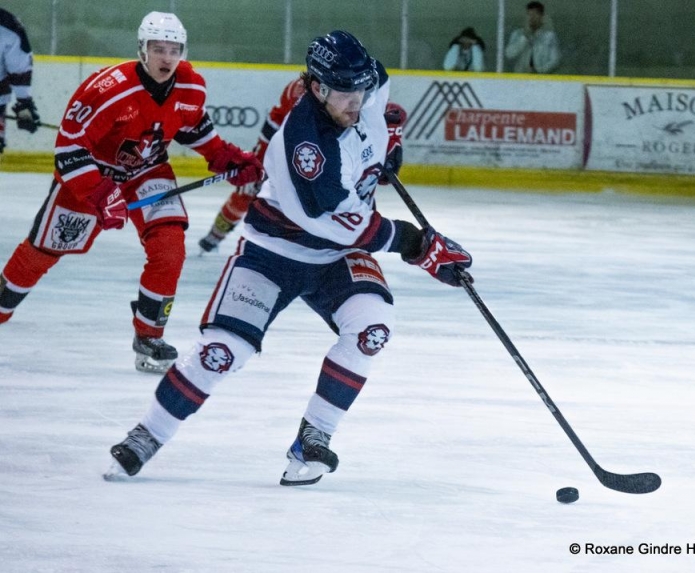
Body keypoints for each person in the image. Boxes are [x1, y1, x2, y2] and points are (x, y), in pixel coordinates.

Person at [105, 30, 473, 486]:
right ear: (317, 89)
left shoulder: (363, 85)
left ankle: (314, 437)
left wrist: (388, 139)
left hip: (336, 258)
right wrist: (419, 246)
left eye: (361, 91)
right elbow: (344, 223)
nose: (357, 101)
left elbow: (379, 93)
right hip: (273, 254)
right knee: (222, 352)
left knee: (372, 329)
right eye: (345, 93)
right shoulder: (305, 148)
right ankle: (148, 434)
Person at [0, 12, 264, 374]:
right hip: (92, 173)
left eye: (174, 50)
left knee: (170, 247)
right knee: (41, 254)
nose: (167, 58)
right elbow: (68, 148)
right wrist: (99, 193)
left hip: (147, 171)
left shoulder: (192, 86)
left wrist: (226, 158)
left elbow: (193, 130)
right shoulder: (107, 89)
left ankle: (149, 336)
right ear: (142, 49)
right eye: (158, 49)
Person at [198, 77, 305, 253]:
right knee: (247, 190)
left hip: (312, 156)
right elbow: (275, 123)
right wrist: (259, 163)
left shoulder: (341, 92)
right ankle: (216, 234)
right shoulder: (299, 88)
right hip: (282, 147)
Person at [0, 8, 41, 154]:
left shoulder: (8, 25)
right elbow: (20, 68)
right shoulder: (8, 25)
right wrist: (24, 102)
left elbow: (19, 67)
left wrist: (24, 103)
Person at [504, 1, 561, 74]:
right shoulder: (517, 34)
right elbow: (509, 55)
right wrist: (525, 37)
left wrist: (540, 71)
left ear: (542, 17)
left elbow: (555, 60)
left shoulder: (549, 37)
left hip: (541, 77)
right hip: (520, 77)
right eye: (529, 14)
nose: (532, 18)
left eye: (535, 14)